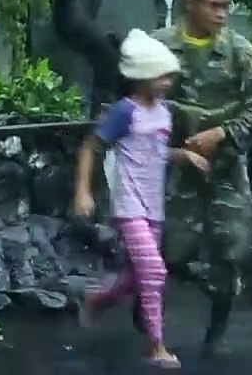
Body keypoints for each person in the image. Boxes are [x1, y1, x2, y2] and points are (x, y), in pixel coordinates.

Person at [152, 0, 252, 359]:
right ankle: (149, 311)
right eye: (213, 5)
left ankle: (216, 336)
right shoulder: (158, 49)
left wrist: (220, 133)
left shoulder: (241, 53)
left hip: (226, 167)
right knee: (171, 251)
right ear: (190, 4)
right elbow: (136, 104)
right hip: (177, 167)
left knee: (232, 249)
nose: (222, 14)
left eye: (226, 6)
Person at [72, 28, 210, 371]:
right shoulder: (125, 111)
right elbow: (91, 146)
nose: (166, 82)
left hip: (154, 208)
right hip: (130, 206)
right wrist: (83, 191)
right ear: (142, 76)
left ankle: (96, 300)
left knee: (137, 278)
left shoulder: (163, 113)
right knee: (154, 271)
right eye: (161, 76)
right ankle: (156, 347)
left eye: (168, 76)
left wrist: (185, 156)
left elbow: (156, 154)